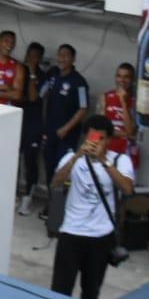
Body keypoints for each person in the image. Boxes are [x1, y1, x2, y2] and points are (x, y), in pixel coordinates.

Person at [50, 115, 134, 299]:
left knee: (90, 293)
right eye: (92, 138)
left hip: (101, 236)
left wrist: (104, 161)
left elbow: (127, 189)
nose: (96, 143)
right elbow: (55, 183)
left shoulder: (120, 160)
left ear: (109, 140)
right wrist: (77, 157)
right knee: (59, 292)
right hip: (71, 232)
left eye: (101, 139)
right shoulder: (72, 157)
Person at [38, 44, 91, 193]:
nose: (61, 58)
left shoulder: (79, 82)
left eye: (66, 55)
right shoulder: (53, 74)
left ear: (73, 59)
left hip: (67, 135)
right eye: (59, 55)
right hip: (50, 131)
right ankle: (50, 202)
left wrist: (66, 128)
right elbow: (41, 95)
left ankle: (59, 205)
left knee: (63, 167)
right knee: (49, 166)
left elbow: (83, 108)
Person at [16, 42, 46, 216]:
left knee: (30, 161)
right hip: (18, 119)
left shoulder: (43, 76)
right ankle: (14, 195)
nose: (31, 58)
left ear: (40, 58)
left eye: (35, 56)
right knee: (14, 159)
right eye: (30, 54)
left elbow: (34, 97)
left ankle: (28, 197)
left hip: (34, 124)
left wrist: (33, 74)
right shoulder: (19, 70)